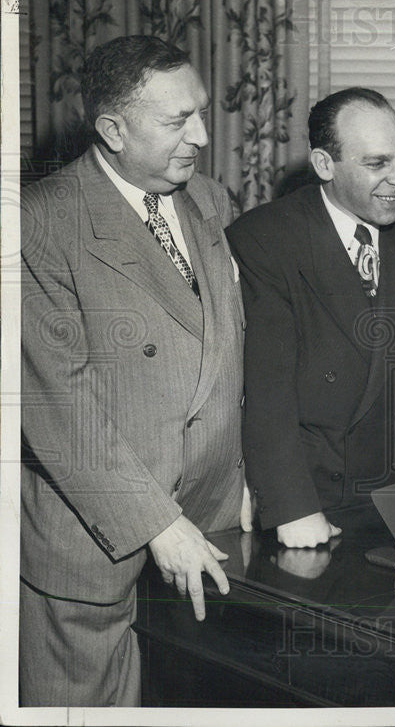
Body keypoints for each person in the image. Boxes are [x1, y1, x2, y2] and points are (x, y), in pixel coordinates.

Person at [20, 35, 250, 706]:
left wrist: (244, 480)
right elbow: (60, 408)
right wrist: (157, 522)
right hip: (97, 542)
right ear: (112, 129)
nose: (203, 135)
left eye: (202, 112)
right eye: (178, 121)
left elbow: (226, 352)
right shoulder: (40, 222)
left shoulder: (209, 199)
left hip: (208, 523)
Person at [226, 88, 395, 549]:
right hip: (302, 487)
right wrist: (293, 508)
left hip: (381, 484)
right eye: (377, 164)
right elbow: (267, 390)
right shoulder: (264, 237)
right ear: (325, 165)